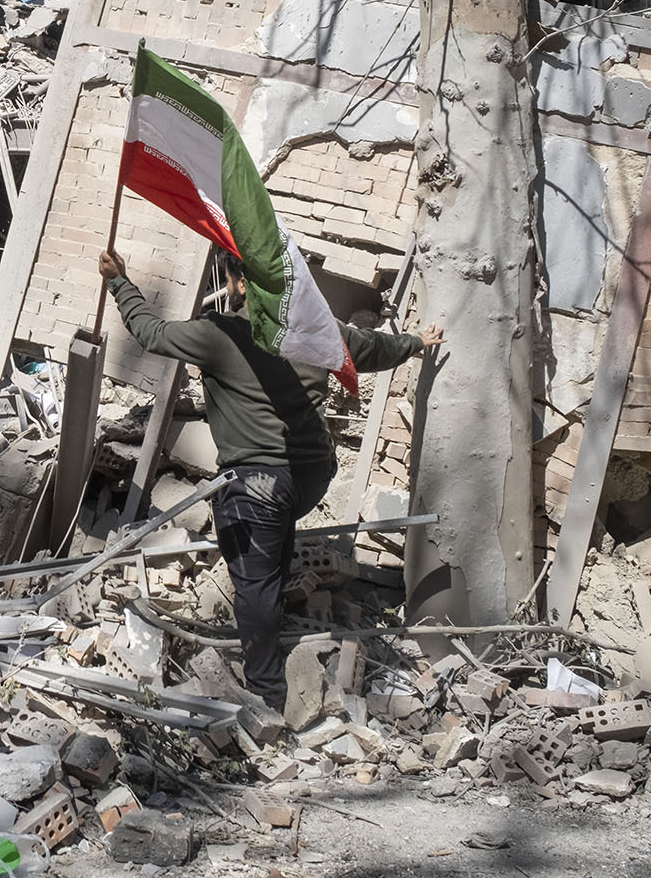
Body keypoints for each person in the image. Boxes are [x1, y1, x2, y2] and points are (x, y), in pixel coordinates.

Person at [97, 248, 442, 711]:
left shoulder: (223, 333)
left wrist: (119, 280)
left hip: (258, 483)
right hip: (309, 478)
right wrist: (417, 341)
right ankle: (273, 628)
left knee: (254, 586)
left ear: (241, 284)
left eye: (230, 278)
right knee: (273, 549)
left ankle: (266, 697)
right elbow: (372, 349)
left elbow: (150, 332)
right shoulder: (317, 327)